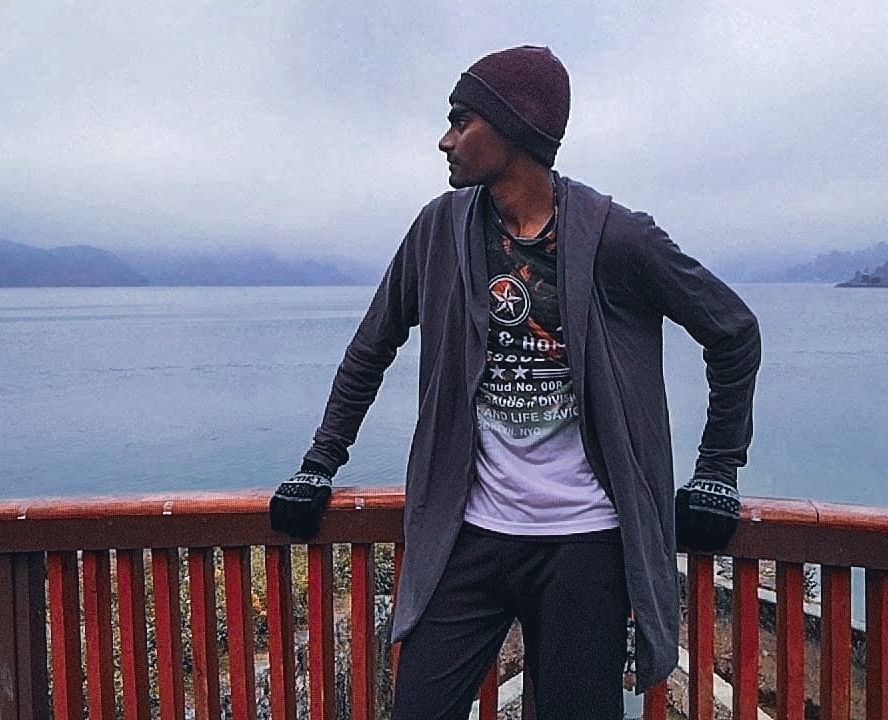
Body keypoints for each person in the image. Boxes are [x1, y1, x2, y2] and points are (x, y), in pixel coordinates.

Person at [270, 45, 760, 719]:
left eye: (461, 121)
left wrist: (717, 472)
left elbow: (733, 332)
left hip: (585, 543)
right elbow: (371, 347)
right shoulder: (439, 230)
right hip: (468, 533)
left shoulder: (618, 239)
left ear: (514, 130)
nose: (445, 140)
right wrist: (317, 466)